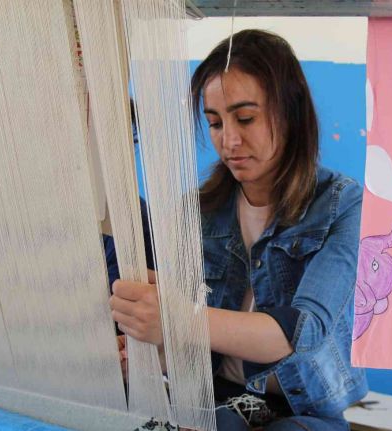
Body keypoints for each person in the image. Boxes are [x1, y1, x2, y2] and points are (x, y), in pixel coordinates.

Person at [110, 29, 368, 430]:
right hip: (215, 400)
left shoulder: (342, 204)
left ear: (291, 113)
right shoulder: (198, 211)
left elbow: (301, 332)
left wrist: (179, 319)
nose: (229, 140)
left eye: (246, 118)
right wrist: (148, 348)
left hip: (305, 409)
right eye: (214, 123)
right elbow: (191, 339)